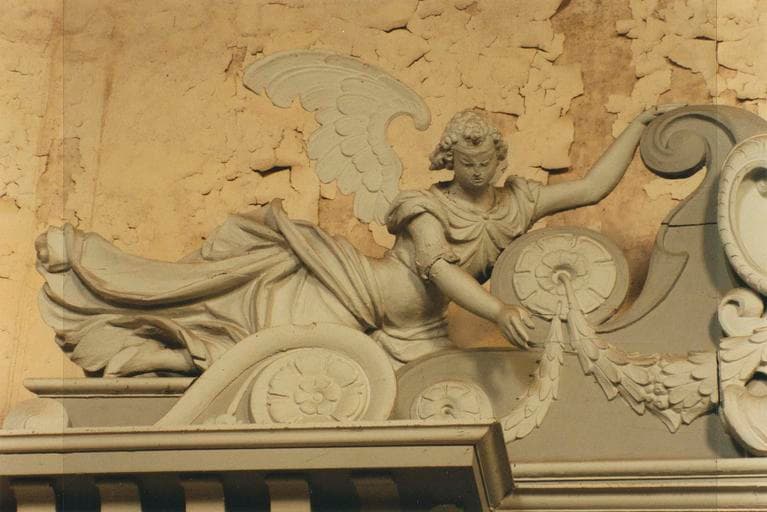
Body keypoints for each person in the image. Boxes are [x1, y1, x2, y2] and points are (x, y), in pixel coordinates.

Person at [36, 108, 670, 377]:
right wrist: (499, 310)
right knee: (258, 343)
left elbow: (592, 187)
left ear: (499, 160)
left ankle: (154, 354)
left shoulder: (518, 203)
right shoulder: (427, 206)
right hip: (357, 293)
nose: (477, 172)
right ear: (449, 161)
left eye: (486, 163)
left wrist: (639, 127)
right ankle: (124, 316)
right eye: (466, 163)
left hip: (415, 331)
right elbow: (439, 270)